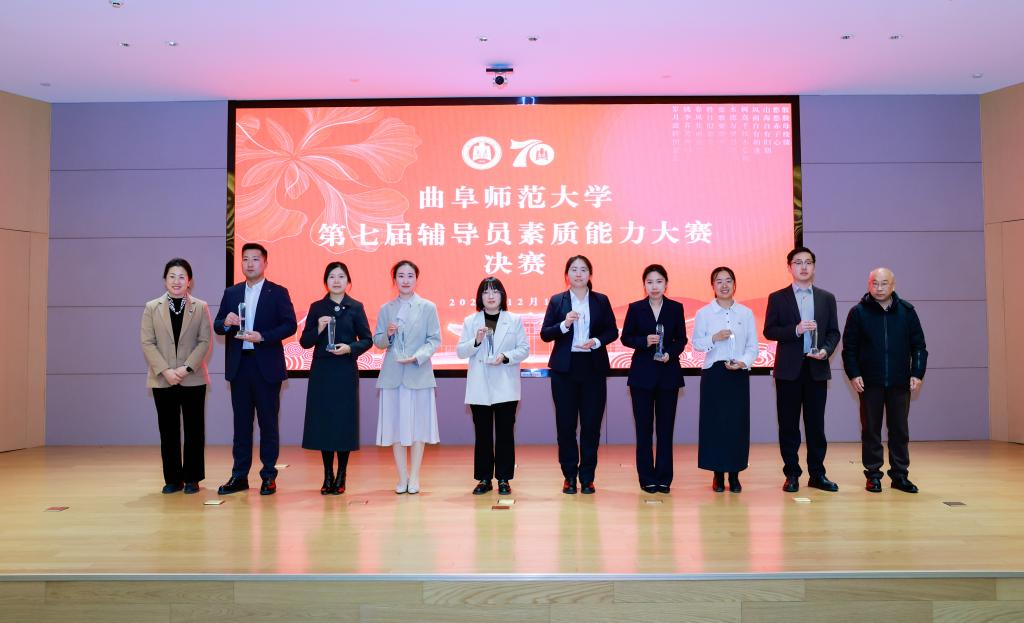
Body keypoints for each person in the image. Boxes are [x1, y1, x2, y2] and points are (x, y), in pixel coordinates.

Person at [213, 243, 297, 496]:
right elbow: (217, 325)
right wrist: (226, 323)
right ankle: (239, 476)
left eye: (255, 259)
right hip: (240, 366)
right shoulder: (231, 292)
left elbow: (290, 325)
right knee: (241, 426)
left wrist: (264, 336)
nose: (249, 264)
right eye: (245, 259)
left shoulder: (277, 292)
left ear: (265, 263)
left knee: (268, 424)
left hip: (266, 367)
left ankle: (268, 475)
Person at [842, 267, 928, 493]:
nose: (879, 288)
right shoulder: (858, 312)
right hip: (869, 382)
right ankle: (873, 475)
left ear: (893, 285)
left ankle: (900, 475)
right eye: (875, 283)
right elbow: (849, 349)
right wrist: (854, 374)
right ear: (868, 285)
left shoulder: (907, 312)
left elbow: (919, 346)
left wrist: (917, 373)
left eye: (884, 283)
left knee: (899, 430)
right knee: (871, 430)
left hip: (900, 382)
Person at [763, 246, 841, 493]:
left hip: (816, 368)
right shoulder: (778, 297)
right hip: (788, 371)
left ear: (814, 267)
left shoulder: (826, 298)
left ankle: (817, 474)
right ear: (789, 267)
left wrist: (826, 350)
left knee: (816, 426)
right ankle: (792, 474)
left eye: (808, 262)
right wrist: (795, 330)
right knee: (788, 426)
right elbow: (769, 330)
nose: (804, 267)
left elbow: (834, 332)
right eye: (798, 262)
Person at [540, 255, 619, 495]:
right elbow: (545, 334)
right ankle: (569, 476)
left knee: (591, 426)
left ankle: (587, 477)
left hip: (593, 368)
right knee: (566, 426)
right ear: (567, 275)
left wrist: (596, 341)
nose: (578, 274)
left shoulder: (601, 300)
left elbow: (612, 331)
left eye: (583, 269)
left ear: (590, 275)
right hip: (564, 370)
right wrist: (564, 325)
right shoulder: (558, 300)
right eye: (573, 269)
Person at [140, 258, 213, 494]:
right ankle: (173, 479)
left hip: (192, 378)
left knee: (194, 430)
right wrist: (166, 371)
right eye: (172, 276)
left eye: (182, 276)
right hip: (163, 379)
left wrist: (186, 368)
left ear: (189, 281)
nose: (177, 281)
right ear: (165, 280)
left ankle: (192, 478)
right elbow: (147, 342)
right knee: (168, 430)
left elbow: (205, 341)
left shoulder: (200, 307)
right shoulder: (152, 307)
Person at [299, 262, 372, 495]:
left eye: (341, 276)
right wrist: (318, 329)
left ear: (348, 281)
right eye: (332, 276)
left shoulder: (355, 307)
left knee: (343, 424)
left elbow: (367, 339)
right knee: (324, 424)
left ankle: (341, 474)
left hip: (345, 371)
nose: (337, 281)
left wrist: (350, 348)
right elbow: (305, 342)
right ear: (326, 281)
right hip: (322, 372)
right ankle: (327, 475)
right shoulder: (317, 307)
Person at [456, 277, 530, 496]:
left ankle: (504, 479)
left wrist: (505, 356)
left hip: (505, 385)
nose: (490, 296)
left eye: (495, 291)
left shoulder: (514, 320)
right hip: (480, 386)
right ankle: (484, 478)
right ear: (480, 297)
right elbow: (460, 351)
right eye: (486, 292)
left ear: (502, 296)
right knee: (483, 434)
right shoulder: (471, 321)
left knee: (505, 434)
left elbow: (524, 349)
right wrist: (476, 341)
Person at [373, 260, 441, 494]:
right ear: (394, 280)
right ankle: (402, 477)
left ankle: (415, 477)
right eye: (401, 275)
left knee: (418, 428)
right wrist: (388, 335)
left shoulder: (428, 307)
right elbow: (378, 341)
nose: (405, 280)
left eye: (410, 275)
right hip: (393, 376)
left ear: (416, 279)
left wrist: (417, 357)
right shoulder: (386, 309)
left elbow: (434, 339)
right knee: (395, 428)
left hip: (418, 374)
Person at [620, 264, 687, 494]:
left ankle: (664, 478)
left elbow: (681, 339)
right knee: (644, 430)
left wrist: (671, 353)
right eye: (650, 282)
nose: (654, 286)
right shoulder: (635, 308)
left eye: (659, 281)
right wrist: (643, 341)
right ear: (644, 285)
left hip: (668, 375)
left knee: (666, 431)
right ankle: (647, 478)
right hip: (642, 377)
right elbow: (626, 337)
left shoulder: (675, 308)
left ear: (666, 284)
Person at [693, 267, 759, 493]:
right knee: (715, 425)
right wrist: (714, 337)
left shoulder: (746, 313)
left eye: (728, 281)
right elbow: (697, 344)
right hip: (714, 374)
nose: (724, 285)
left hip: (738, 373)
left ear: (734, 284)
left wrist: (743, 362)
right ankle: (718, 474)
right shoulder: (704, 313)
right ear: (712, 286)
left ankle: (735, 473)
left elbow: (753, 346)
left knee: (737, 425)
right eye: (719, 281)